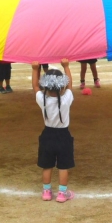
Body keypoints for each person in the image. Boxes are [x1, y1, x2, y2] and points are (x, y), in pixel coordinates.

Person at [31, 59, 75, 203]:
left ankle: (46, 191)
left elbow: (35, 86)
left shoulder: (42, 99)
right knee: (63, 166)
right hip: (63, 135)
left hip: (47, 135)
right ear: (62, 85)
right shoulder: (66, 98)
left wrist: (35, 69)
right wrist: (66, 66)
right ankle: (62, 193)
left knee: (47, 165)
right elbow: (70, 85)